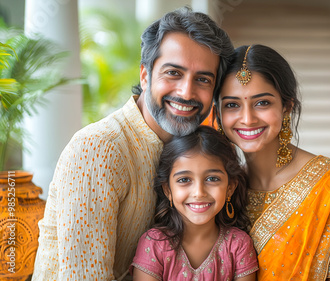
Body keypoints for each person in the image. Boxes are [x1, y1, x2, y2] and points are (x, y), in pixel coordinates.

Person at [33, 7, 234, 281]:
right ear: (145, 75)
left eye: (202, 79)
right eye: (173, 73)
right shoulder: (99, 149)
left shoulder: (189, 151)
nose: (186, 92)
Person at [214, 44, 330, 281]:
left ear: (287, 106)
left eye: (262, 103)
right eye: (232, 105)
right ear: (218, 113)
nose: (247, 118)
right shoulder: (217, 189)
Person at [130, 126, 258, 280]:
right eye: (184, 180)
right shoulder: (155, 244)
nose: (199, 192)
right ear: (167, 190)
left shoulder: (238, 245)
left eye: (212, 179)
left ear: (230, 188)